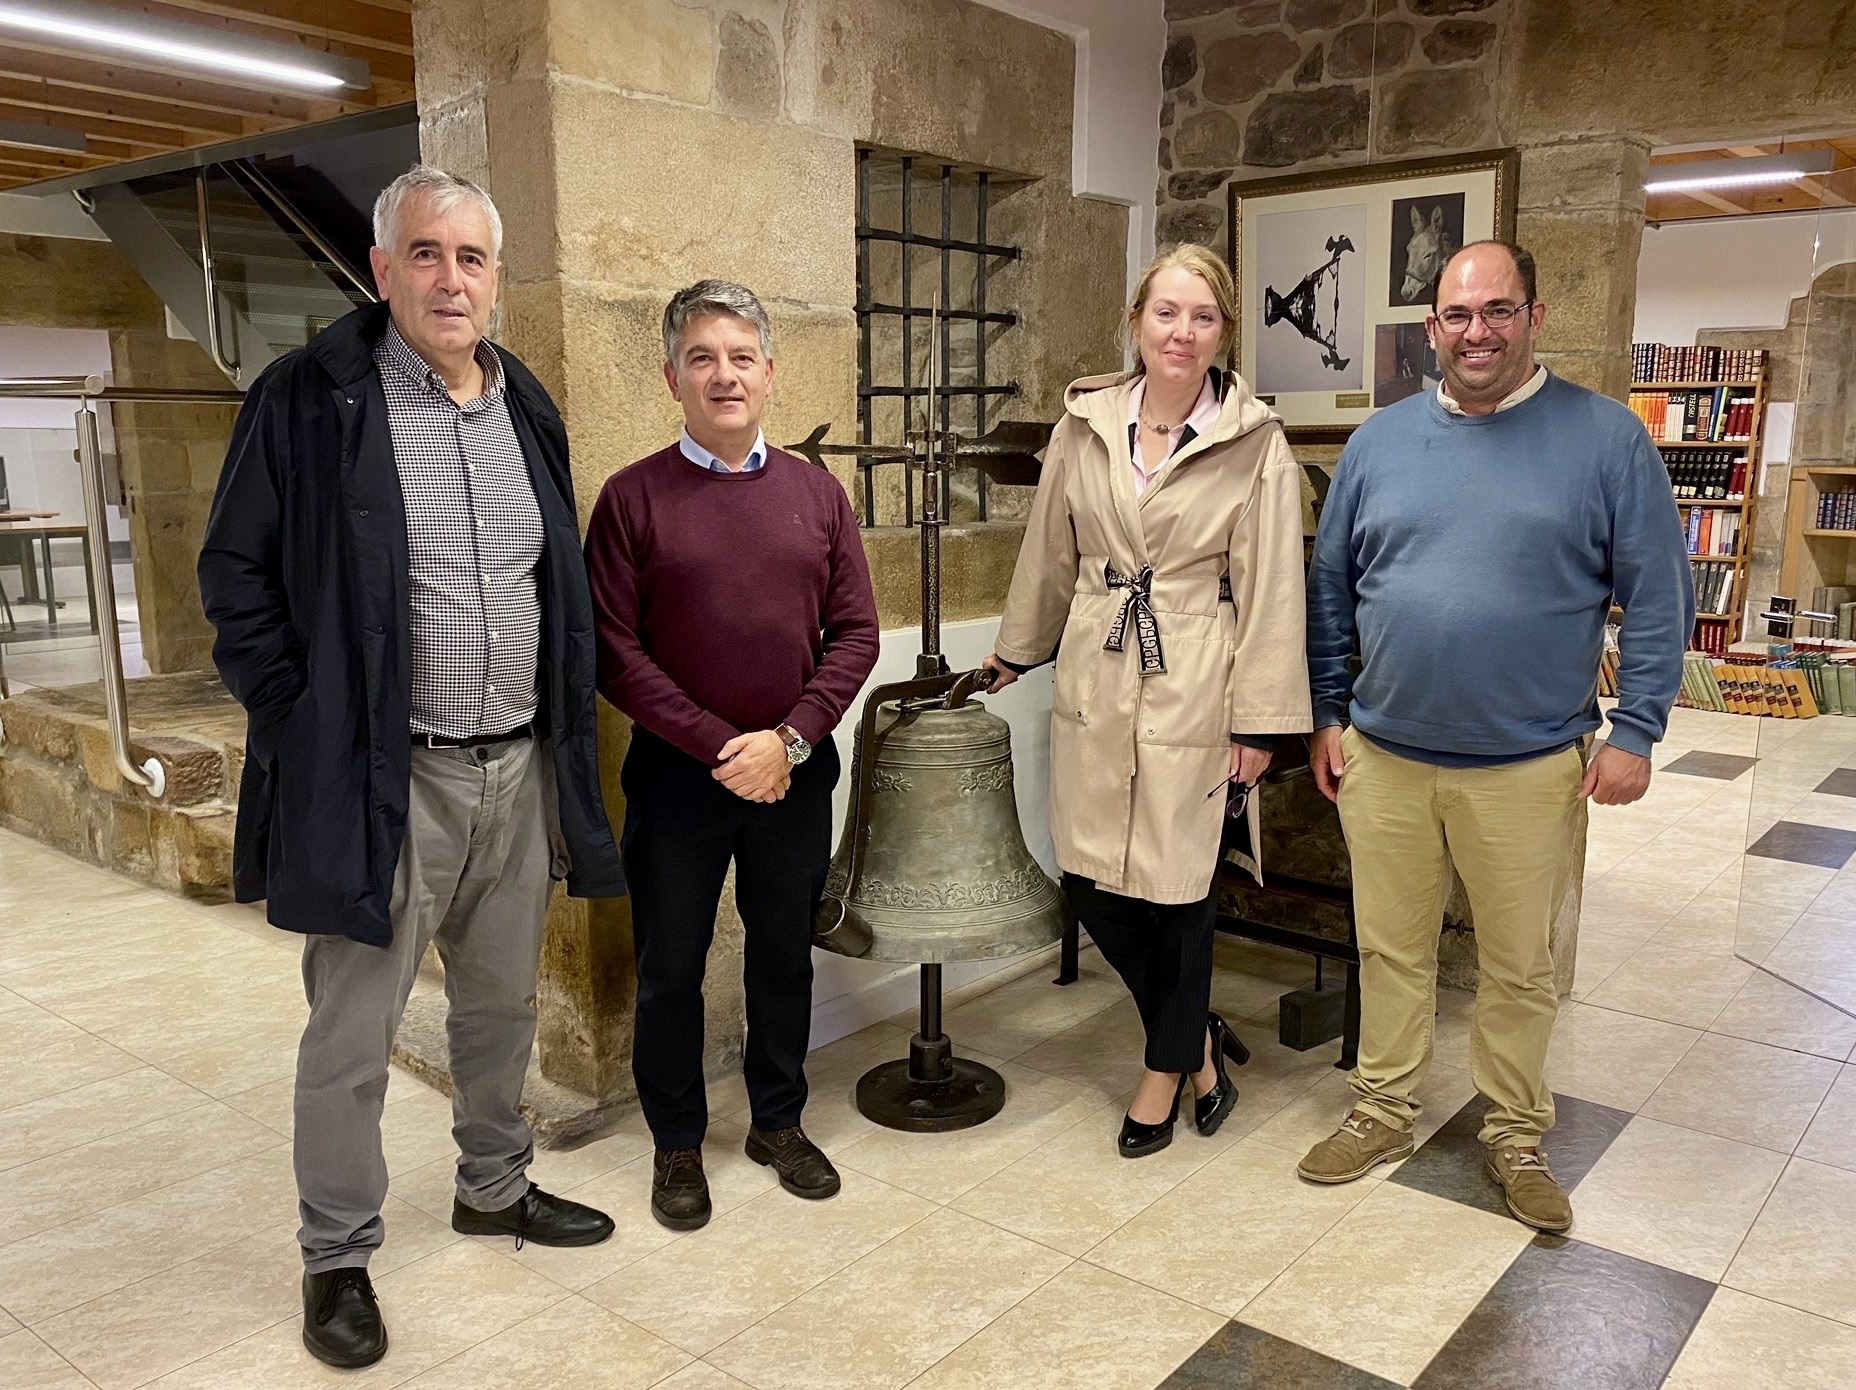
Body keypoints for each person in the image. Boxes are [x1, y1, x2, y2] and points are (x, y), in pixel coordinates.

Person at [198, 166, 626, 1371]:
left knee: (498, 1007)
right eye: (426, 254)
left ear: (495, 278)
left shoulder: (523, 400)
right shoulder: (308, 398)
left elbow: (554, 575)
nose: (450, 279)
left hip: (516, 769)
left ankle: (494, 1184)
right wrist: (303, 721)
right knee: (352, 1031)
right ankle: (336, 1252)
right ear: (381, 269)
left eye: (470, 257)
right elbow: (234, 575)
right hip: (384, 780)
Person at [1299, 240, 1693, 1232]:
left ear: (1533, 316)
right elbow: (1330, 590)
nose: (1476, 332)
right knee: (1390, 950)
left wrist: (1637, 728)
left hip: (1528, 763)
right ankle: (1382, 1109)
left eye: (1496, 311)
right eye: (1456, 314)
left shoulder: (1606, 441)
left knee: (1519, 967)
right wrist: (1328, 712)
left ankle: (1514, 1134)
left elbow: (1657, 595)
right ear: (1430, 327)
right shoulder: (1378, 445)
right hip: (1385, 755)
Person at [984, 244, 1313, 1159]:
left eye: (1203, 316)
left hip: (1197, 672)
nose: (1182, 332)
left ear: (1224, 332)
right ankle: (1199, 1039)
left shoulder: (1256, 442)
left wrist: (1259, 722)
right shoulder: (1083, 426)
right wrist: (1017, 649)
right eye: (1166, 312)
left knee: (1180, 886)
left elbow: (1273, 587)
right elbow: (1050, 549)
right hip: (1097, 663)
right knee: (1091, 880)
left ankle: (1165, 1071)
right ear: (1135, 321)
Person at [585, 279, 880, 1232]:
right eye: (702, 358)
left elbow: (857, 634)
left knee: (782, 957)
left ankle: (778, 1122)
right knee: (669, 965)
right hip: (679, 781)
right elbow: (613, 652)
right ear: (671, 376)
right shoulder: (631, 499)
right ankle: (677, 1140)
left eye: (741, 357)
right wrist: (723, 745)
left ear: (770, 373)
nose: (724, 375)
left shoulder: (817, 494)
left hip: (794, 777)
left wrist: (789, 739)